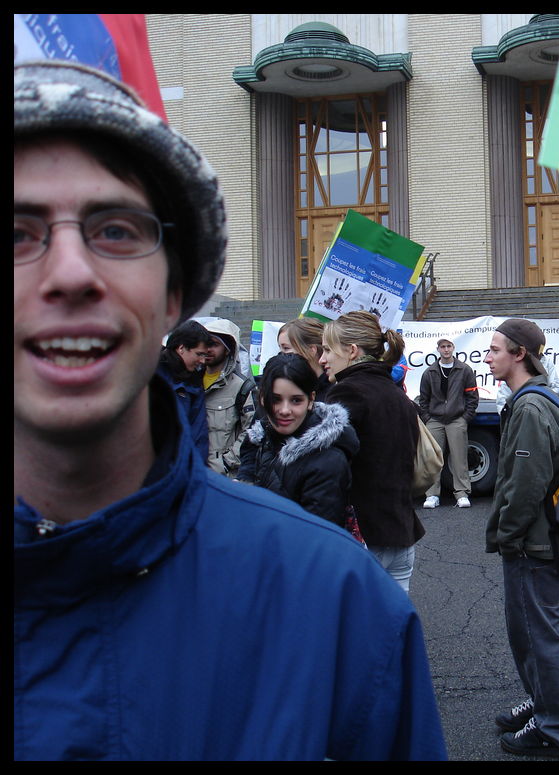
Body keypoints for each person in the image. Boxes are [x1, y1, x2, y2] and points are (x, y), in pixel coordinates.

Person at [14, 60, 445, 761]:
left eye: (117, 230)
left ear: (176, 292)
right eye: (16, 234)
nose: (69, 273)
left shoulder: (336, 603)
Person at [484, 319, 559, 758]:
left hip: (534, 544)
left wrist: (506, 534)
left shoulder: (530, 408)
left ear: (520, 354)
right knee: (525, 635)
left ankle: (555, 729)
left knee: (538, 638)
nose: (488, 357)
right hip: (535, 540)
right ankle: (542, 706)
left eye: (496, 349)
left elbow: (526, 484)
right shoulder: (528, 400)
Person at [321, 311, 423, 593]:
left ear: (352, 351)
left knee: (355, 632)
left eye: (328, 350)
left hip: (363, 535)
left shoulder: (347, 393)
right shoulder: (397, 395)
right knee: (392, 631)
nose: (322, 359)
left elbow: (327, 469)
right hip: (401, 532)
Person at [239, 353, 359, 532]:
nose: (285, 410)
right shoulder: (265, 436)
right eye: (276, 399)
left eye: (296, 400)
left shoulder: (328, 461)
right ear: (263, 399)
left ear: (311, 400)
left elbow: (317, 538)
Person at [416, 337, 479, 509]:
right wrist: (427, 418)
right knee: (433, 458)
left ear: (453, 348)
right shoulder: (429, 372)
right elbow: (424, 399)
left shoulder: (464, 370)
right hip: (434, 420)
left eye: (448, 346)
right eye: (442, 347)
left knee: (460, 458)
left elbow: (472, 397)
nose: (446, 349)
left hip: (456, 419)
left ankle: (462, 493)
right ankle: (432, 495)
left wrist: (465, 418)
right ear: (438, 349)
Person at [202, 316, 256, 477]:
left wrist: (225, 463)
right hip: (192, 474)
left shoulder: (242, 387)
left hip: (224, 476)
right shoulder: (189, 381)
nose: (208, 349)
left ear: (228, 349)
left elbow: (251, 431)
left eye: (215, 344)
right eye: (205, 343)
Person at [159, 318, 214, 462]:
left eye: (205, 355)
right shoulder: (151, 375)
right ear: (181, 348)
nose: (203, 361)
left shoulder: (194, 381)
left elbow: (199, 433)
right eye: (199, 354)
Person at [278, 317, 331, 398]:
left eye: (286, 348)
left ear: (311, 350)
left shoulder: (334, 392)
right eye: (280, 348)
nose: (280, 355)